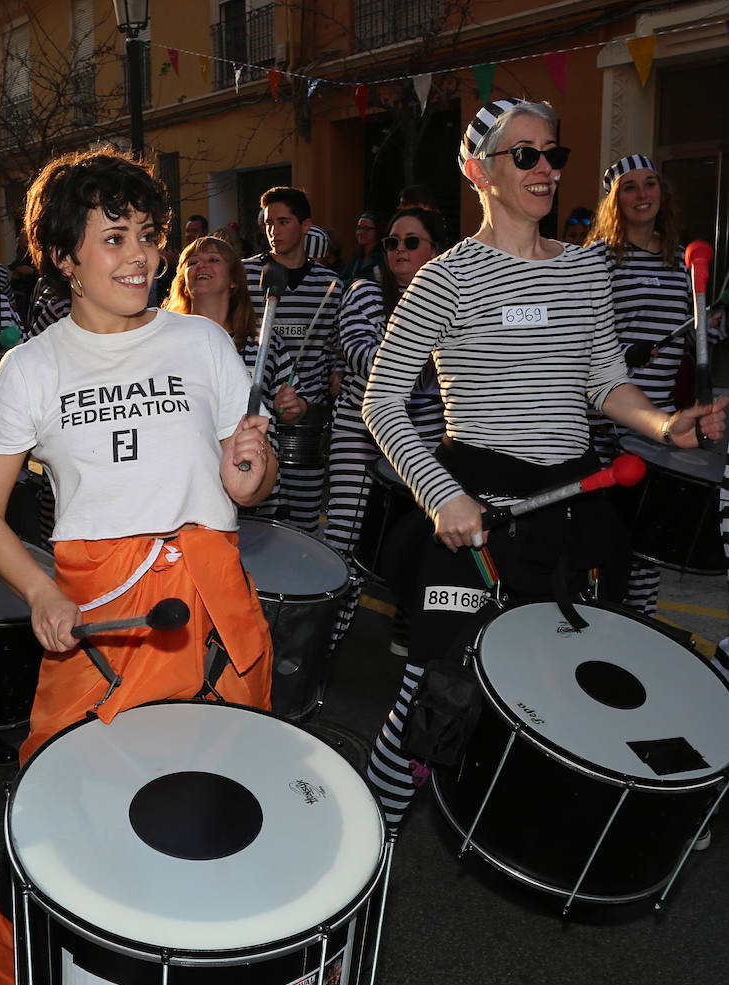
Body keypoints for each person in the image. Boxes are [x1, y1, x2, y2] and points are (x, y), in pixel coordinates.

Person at [359, 98, 727, 834]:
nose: (545, 167)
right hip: (479, 507)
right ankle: (368, 854)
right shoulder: (445, 278)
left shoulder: (588, 269)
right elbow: (381, 401)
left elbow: (604, 378)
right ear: (478, 171)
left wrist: (664, 422)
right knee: (429, 698)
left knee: (563, 692)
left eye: (552, 153)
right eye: (523, 153)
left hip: (573, 503)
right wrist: (440, 494)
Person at [0, 149, 276, 985]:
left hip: (212, 610)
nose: (140, 255)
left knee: (215, 819)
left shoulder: (204, 340)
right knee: (65, 818)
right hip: (101, 624)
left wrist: (252, 470)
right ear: (62, 256)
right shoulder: (30, 367)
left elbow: (245, 480)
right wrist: (37, 588)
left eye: (147, 234)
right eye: (112, 237)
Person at [585, 154, 723, 616]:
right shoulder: (596, 259)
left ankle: (635, 633)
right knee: (605, 549)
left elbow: (697, 333)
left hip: (660, 425)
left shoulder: (677, 259)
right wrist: (619, 353)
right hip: (604, 424)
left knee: (647, 554)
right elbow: (580, 337)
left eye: (650, 184)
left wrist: (713, 325)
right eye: (630, 187)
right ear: (613, 199)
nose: (643, 194)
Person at [322, 208, 447, 649]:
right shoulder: (365, 291)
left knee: (417, 540)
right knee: (344, 538)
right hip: (360, 427)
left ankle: (407, 622)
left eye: (412, 242)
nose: (399, 250)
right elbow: (357, 350)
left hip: (422, 437)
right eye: (393, 242)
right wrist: (424, 364)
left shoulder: (451, 299)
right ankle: (325, 640)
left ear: (435, 248)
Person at [242, 187, 342, 532]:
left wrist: (338, 372)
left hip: (306, 422)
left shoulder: (329, 283)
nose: (274, 231)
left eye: (283, 222)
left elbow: (336, 346)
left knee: (304, 522)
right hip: (256, 420)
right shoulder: (244, 276)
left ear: (305, 226)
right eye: (269, 223)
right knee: (257, 520)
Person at [164, 234, 306, 422]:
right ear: (184, 284)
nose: (201, 265)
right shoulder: (165, 340)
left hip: (253, 448)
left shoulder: (263, 340)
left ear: (234, 281)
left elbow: (297, 405)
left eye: (213, 259)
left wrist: (291, 406)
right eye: (193, 262)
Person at [339, 210, 385, 284]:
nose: (361, 232)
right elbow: (340, 281)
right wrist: (352, 282)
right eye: (359, 228)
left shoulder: (382, 258)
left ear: (377, 231)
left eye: (367, 229)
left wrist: (360, 282)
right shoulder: (356, 257)